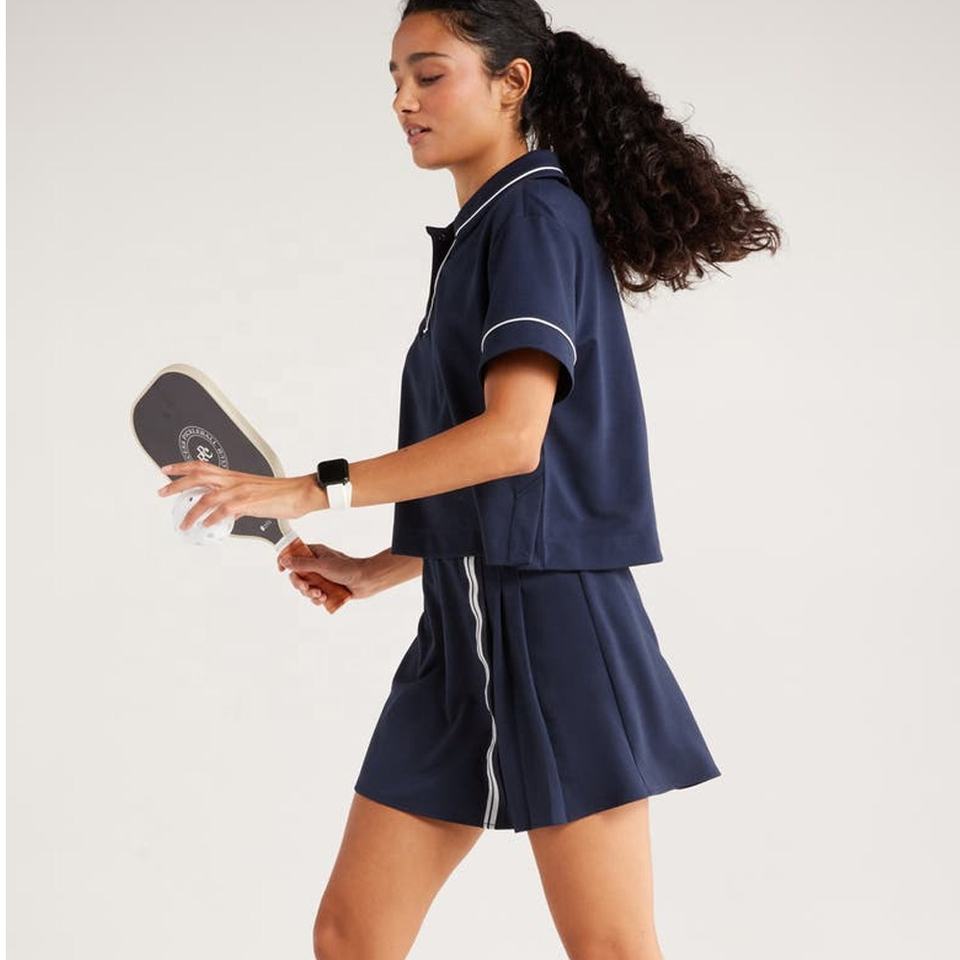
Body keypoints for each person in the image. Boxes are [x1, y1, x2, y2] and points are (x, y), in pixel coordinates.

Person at [159, 3, 780, 957]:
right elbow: (513, 486)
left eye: (429, 73)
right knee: (351, 936)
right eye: (394, 80)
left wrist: (311, 487)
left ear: (511, 81)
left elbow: (513, 441)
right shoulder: (485, 229)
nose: (403, 101)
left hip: (557, 626)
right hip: (460, 629)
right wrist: (386, 566)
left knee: (612, 947)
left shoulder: (533, 217)